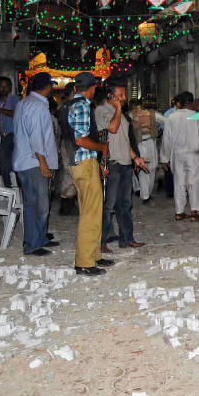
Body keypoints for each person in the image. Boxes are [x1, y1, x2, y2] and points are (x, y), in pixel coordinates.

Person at [64, 72, 113, 276]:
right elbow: (80, 140)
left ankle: (94, 255)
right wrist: (101, 147)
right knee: (91, 214)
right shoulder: (83, 105)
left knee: (91, 209)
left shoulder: (68, 105)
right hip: (84, 160)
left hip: (76, 161)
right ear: (92, 88)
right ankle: (85, 261)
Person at [95, 78, 148, 251]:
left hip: (125, 164)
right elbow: (112, 129)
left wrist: (135, 158)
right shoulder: (101, 111)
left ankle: (127, 239)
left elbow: (124, 141)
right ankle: (101, 242)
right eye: (121, 95)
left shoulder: (123, 116)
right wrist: (117, 109)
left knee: (125, 204)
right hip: (112, 163)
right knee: (108, 205)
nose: (124, 98)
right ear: (110, 95)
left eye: (124, 94)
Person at [12, 72, 59, 256]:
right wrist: (43, 162)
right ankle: (32, 243)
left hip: (24, 160)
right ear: (48, 87)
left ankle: (38, 238)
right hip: (33, 162)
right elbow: (36, 136)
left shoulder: (23, 103)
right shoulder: (37, 106)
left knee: (33, 203)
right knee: (39, 204)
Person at [160, 91, 199, 221]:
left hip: (177, 155)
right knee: (195, 182)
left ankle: (179, 211)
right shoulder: (197, 117)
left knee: (179, 183)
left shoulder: (172, 117)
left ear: (179, 103)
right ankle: (194, 213)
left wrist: (164, 158)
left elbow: (166, 139)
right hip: (195, 156)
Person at [131, 98, 167, 204]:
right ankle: (145, 195)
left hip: (149, 142)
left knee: (152, 167)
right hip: (140, 143)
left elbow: (166, 121)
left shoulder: (152, 115)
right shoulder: (133, 115)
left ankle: (146, 193)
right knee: (144, 168)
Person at [56, 83, 79, 216]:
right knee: (70, 173)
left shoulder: (64, 107)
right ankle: (66, 205)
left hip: (66, 142)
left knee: (69, 173)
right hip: (69, 143)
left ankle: (67, 203)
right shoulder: (69, 108)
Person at [162, 94, 180, 198]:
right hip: (171, 143)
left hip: (182, 145)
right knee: (169, 168)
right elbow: (164, 130)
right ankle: (170, 190)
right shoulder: (169, 114)